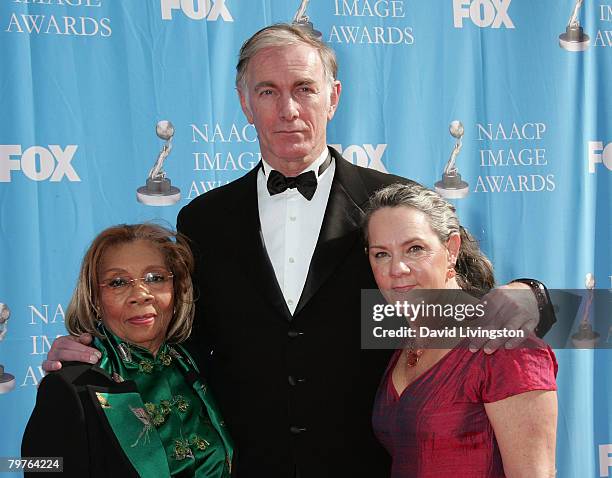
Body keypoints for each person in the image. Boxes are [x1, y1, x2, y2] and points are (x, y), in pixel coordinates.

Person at [43, 24, 556, 477]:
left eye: (304, 89)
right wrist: (97, 352)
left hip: (368, 466)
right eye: (268, 91)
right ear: (245, 103)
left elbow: (466, 307)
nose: (288, 109)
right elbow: (187, 340)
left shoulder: (389, 205)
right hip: (245, 466)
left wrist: (534, 295)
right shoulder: (202, 219)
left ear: (333, 97)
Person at [364, 183, 558, 477]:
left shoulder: (505, 345)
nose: (397, 269)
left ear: (451, 249)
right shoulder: (407, 341)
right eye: (381, 254)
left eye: (414, 249)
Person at [23, 224, 233, 477]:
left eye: (155, 278)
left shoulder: (197, 366)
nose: (141, 295)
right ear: (94, 299)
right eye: (118, 282)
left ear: (176, 290)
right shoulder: (72, 386)